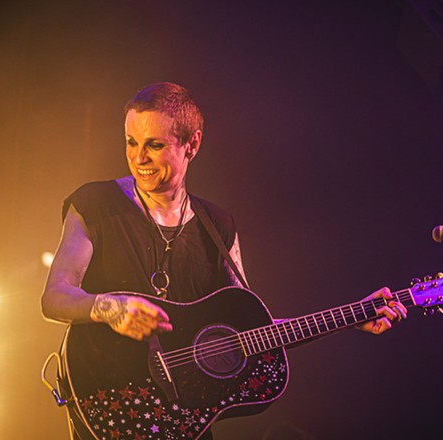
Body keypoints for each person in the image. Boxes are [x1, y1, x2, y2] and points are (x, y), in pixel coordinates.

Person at [41, 82, 407, 439]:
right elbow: (54, 297)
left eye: (154, 145)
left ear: (192, 144)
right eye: (131, 142)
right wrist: (109, 308)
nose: (139, 158)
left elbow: (252, 332)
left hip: (185, 420)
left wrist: (351, 317)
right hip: (108, 397)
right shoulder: (94, 203)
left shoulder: (217, 227)